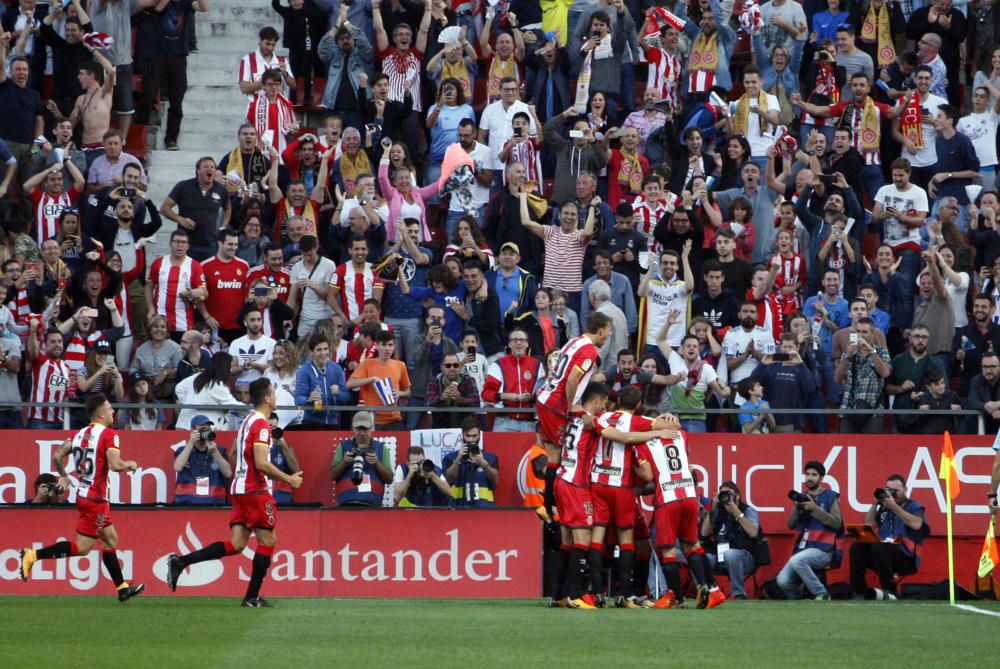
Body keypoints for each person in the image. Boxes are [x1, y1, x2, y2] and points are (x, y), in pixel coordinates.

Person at [167, 378, 303, 607]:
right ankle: (251, 597)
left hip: (239, 488)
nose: (276, 398)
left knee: (238, 543)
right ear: (268, 398)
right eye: (275, 394)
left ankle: (180, 562)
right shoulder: (260, 424)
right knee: (268, 540)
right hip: (254, 489)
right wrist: (288, 478)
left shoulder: (247, 421)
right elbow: (260, 462)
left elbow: (232, 451)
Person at [18, 394, 144, 601]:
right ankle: (32, 555)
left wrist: (66, 477)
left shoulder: (79, 435)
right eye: (110, 408)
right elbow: (115, 464)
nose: (113, 411)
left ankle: (122, 588)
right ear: (102, 413)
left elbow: (58, 455)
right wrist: (129, 464)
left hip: (85, 496)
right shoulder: (109, 434)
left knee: (111, 539)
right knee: (83, 548)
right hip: (95, 499)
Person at [535, 311, 613, 519]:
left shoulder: (574, 342)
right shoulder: (589, 352)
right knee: (559, 457)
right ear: (601, 330)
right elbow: (572, 379)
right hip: (555, 404)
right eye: (608, 332)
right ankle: (549, 505)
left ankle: (548, 500)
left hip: (544, 396)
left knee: (553, 454)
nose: (607, 337)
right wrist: (571, 405)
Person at [850, 475, 930, 599]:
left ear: (905, 490)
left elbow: (916, 524)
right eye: (889, 490)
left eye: (896, 491)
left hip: (905, 556)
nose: (893, 494)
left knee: (879, 547)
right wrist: (874, 504)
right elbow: (869, 525)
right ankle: (859, 591)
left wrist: (894, 507)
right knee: (857, 547)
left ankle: (890, 590)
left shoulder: (914, 506)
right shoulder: (884, 508)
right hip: (882, 554)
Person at [777, 461, 843, 600]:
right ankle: (800, 601)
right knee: (782, 581)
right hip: (803, 549)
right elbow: (790, 524)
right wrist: (797, 507)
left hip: (824, 549)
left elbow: (837, 523)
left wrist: (815, 509)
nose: (810, 478)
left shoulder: (830, 496)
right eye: (807, 474)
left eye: (814, 475)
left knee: (797, 561)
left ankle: (822, 593)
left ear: (821, 478)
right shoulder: (803, 497)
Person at [160, 157, 232, 261]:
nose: (210, 169)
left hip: (210, 244)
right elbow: (164, 208)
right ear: (198, 170)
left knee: (207, 276)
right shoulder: (183, 186)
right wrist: (180, 219)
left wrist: (222, 227)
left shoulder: (221, 190)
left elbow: (228, 208)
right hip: (186, 243)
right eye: (206, 166)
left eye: (212, 167)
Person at [701, 481, 762, 600]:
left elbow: (754, 533)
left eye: (728, 493)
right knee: (702, 559)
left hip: (745, 558)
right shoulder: (719, 511)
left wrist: (735, 511)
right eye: (722, 494)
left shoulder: (748, 510)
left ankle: (739, 594)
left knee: (731, 554)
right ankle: (707, 593)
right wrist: (712, 509)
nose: (725, 497)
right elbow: (704, 533)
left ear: (737, 496)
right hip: (720, 557)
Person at [346, 329, 411, 429]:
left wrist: (399, 393)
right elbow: (349, 384)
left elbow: (408, 392)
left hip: (394, 419)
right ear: (376, 345)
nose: (387, 349)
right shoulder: (367, 364)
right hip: (372, 419)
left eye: (390, 345)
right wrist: (371, 379)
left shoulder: (400, 365)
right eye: (383, 345)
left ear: (394, 347)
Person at [482, 327, 543, 432]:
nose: (518, 343)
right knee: (499, 449)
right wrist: (509, 397)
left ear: (527, 344)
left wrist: (532, 398)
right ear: (509, 344)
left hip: (529, 422)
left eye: (522, 340)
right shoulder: (498, 365)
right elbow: (486, 394)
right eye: (514, 340)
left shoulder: (537, 365)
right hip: (504, 421)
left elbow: (543, 394)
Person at [330, 410, 394, 506]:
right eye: (359, 429)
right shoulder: (343, 446)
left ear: (372, 429)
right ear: (353, 428)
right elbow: (332, 476)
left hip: (373, 506)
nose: (362, 433)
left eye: (365, 429)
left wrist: (376, 463)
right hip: (346, 504)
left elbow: (389, 479)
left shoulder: (382, 448)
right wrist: (344, 462)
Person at [293, 332, 350, 429]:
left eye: (325, 349)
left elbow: (346, 397)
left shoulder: (336, 369)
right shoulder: (304, 371)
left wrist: (339, 393)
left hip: (333, 422)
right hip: (311, 422)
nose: (323, 353)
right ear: (311, 352)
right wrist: (308, 399)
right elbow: (298, 399)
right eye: (319, 350)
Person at [173, 415, 232, 504]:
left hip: (214, 502)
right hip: (186, 502)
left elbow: (228, 473)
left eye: (208, 429)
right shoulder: (183, 450)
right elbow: (177, 467)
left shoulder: (219, 450)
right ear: (193, 431)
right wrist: (190, 443)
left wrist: (215, 452)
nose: (205, 431)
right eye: (202, 429)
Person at [442, 416, 500, 508]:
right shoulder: (450, 458)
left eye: (474, 436)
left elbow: (495, 480)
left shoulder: (490, 458)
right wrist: (458, 460)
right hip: (458, 508)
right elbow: (448, 480)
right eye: (468, 436)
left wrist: (483, 463)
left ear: (479, 435)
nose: (471, 440)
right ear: (462, 435)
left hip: (484, 509)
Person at [425, 351, 480, 428]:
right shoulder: (435, 382)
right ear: (442, 368)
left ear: (460, 367)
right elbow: (428, 402)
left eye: (455, 365)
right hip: (441, 430)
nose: (452, 368)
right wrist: (441, 398)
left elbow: (476, 403)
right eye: (448, 366)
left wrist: (461, 400)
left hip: (466, 429)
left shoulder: (469, 380)